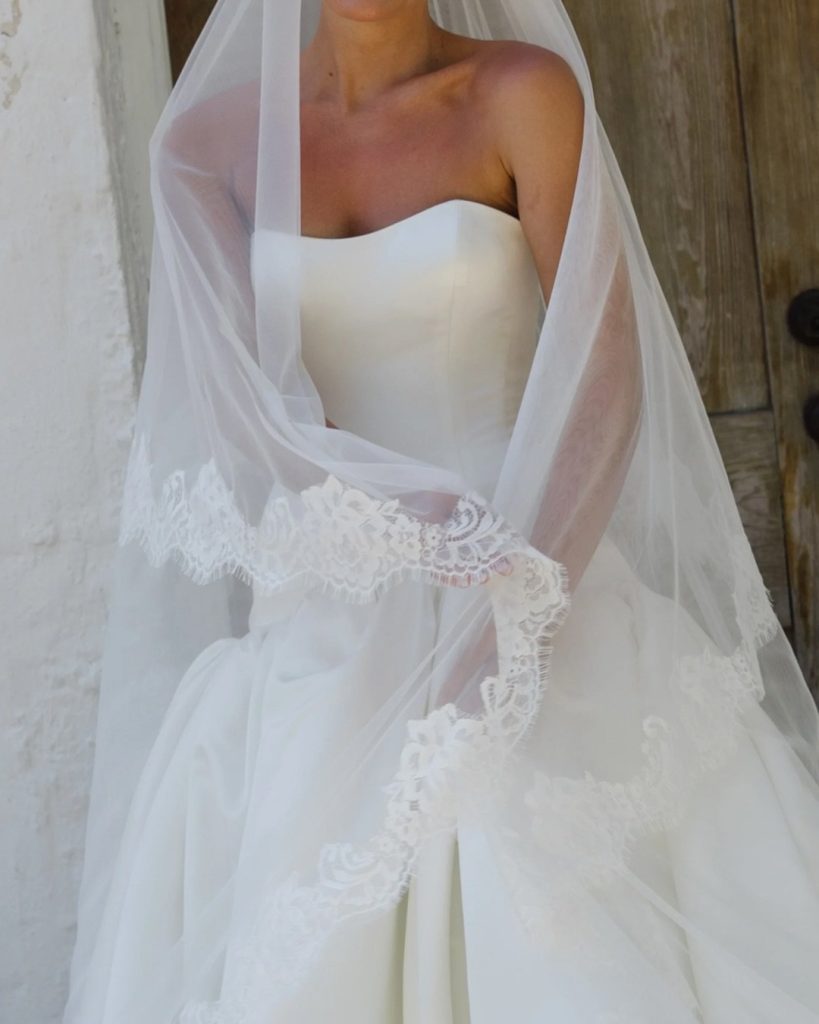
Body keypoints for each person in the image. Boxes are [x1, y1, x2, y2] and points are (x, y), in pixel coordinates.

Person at [63, 1, 819, 1022]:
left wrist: (520, 613)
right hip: (329, 617)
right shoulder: (203, 149)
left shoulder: (521, 95)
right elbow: (244, 414)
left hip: (536, 565)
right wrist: (402, 522)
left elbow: (603, 373)